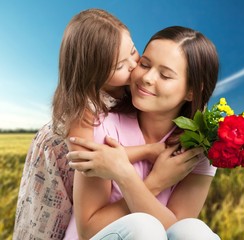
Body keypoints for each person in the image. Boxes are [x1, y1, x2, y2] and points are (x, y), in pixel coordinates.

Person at [14, 9, 195, 239]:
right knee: (49, 230)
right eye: (120, 66)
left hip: (90, 189)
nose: (133, 67)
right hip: (56, 181)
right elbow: (91, 159)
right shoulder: (83, 108)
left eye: (133, 52)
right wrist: (148, 151)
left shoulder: (132, 90)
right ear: (93, 74)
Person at [66, 26, 221, 239]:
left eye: (165, 75)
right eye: (144, 64)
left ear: (192, 90)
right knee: (143, 227)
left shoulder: (198, 149)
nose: (147, 77)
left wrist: (125, 175)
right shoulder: (101, 126)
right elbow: (88, 230)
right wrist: (154, 183)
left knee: (195, 232)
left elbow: (176, 232)